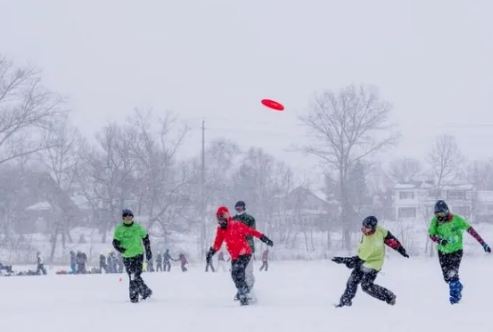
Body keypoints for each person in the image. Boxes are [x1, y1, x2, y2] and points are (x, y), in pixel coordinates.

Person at [332, 216, 409, 308]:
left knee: (366, 286)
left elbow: (357, 260)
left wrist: (343, 260)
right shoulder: (378, 230)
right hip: (366, 259)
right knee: (352, 281)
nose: (364, 229)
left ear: (372, 228)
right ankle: (345, 301)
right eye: (363, 226)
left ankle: (389, 296)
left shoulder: (370, 243)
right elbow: (389, 238)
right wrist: (400, 248)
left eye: (367, 227)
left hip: (373, 264)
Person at [206, 206, 274, 305]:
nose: (220, 221)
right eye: (218, 218)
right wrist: (210, 253)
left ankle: (243, 294)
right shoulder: (221, 230)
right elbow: (217, 244)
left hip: (245, 253)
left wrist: (264, 239)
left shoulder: (237, 225)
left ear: (226, 216)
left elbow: (252, 232)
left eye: (222, 218)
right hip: (235, 256)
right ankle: (245, 291)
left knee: (239, 273)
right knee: (234, 275)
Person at [428, 200, 491, 304]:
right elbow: (431, 235)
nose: (439, 216)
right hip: (442, 252)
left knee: (453, 274)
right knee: (447, 278)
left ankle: (455, 299)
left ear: (446, 212)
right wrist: (439, 240)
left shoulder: (456, 220)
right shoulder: (434, 222)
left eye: (441, 213)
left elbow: (471, 231)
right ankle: (458, 286)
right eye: (437, 214)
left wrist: (483, 244)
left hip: (456, 251)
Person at [113, 209, 153, 303]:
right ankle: (144, 292)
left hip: (138, 255)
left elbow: (145, 238)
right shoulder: (119, 229)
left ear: (132, 217)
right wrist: (121, 249)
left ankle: (135, 297)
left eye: (130, 216)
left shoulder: (137, 227)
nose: (128, 218)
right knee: (132, 276)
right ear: (123, 218)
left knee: (136, 275)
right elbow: (115, 242)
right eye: (126, 216)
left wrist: (148, 251)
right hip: (127, 256)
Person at [232, 201, 257, 297]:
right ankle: (241, 289)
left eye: (240, 208)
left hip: (248, 249)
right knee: (235, 272)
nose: (238, 209)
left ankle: (248, 291)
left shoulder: (250, 219)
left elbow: (251, 232)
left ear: (244, 208)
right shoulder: (233, 219)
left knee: (247, 272)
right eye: (237, 208)